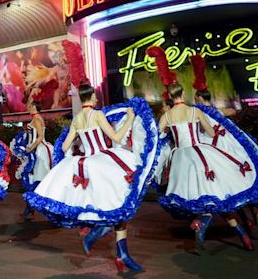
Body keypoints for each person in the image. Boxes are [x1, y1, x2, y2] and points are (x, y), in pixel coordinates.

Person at [25, 82, 159, 272]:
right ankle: (101, 237)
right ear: (92, 97)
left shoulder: (77, 119)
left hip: (87, 164)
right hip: (104, 163)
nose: (97, 98)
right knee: (119, 202)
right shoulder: (97, 115)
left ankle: (120, 253)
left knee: (117, 206)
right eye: (95, 96)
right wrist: (129, 120)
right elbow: (117, 138)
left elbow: (63, 148)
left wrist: (79, 142)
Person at [158, 83, 255, 251]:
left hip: (182, 159)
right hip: (202, 154)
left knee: (210, 199)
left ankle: (232, 232)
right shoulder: (195, 111)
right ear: (183, 93)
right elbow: (211, 133)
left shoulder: (166, 116)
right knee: (217, 196)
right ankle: (232, 233)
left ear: (171, 96)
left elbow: (157, 140)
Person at [13, 100, 54, 218]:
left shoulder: (36, 119)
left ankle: (44, 208)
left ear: (35, 107)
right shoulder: (36, 118)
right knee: (31, 178)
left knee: (37, 179)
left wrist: (31, 148)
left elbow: (40, 137)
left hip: (39, 151)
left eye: (31, 106)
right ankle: (29, 206)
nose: (29, 107)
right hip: (37, 150)